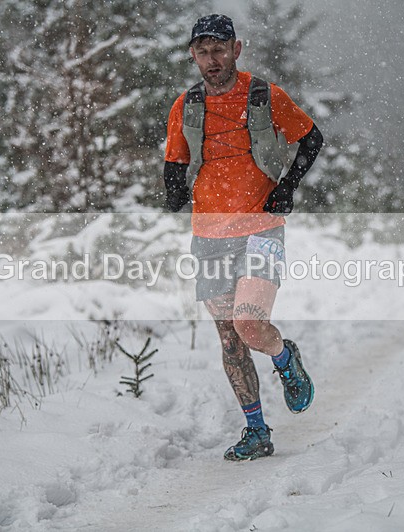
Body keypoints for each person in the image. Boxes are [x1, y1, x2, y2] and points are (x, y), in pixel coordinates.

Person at [162, 14, 324, 461]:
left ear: (237, 49)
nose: (212, 60)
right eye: (202, 52)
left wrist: (287, 188)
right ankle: (257, 431)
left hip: (261, 227)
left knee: (249, 325)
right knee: (230, 340)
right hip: (209, 235)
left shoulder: (265, 95)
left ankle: (285, 358)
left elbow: (312, 139)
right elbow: (175, 160)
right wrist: (174, 191)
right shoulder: (186, 105)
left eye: (219, 50)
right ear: (193, 56)